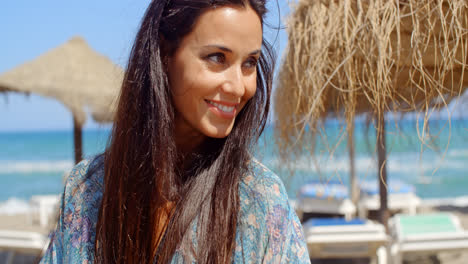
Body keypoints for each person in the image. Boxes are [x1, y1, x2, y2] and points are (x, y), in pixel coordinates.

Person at [40, 0, 310, 263]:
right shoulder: (86, 191)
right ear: (165, 53)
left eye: (249, 63)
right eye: (217, 58)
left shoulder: (260, 202)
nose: (239, 88)